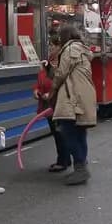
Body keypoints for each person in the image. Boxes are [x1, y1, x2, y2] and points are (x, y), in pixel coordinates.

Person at [52, 24, 96, 185]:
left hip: (73, 96)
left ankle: (80, 168)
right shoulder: (83, 49)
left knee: (68, 131)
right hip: (84, 94)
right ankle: (81, 165)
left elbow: (61, 73)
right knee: (80, 131)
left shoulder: (70, 50)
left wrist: (52, 88)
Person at [35, 40, 70, 173]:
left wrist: (50, 94)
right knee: (57, 133)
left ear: (60, 48)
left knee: (61, 133)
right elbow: (40, 80)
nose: (50, 48)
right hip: (48, 105)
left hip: (58, 104)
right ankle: (65, 159)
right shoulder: (47, 63)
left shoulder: (63, 63)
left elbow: (62, 82)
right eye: (49, 45)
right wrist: (37, 90)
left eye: (53, 46)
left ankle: (63, 161)